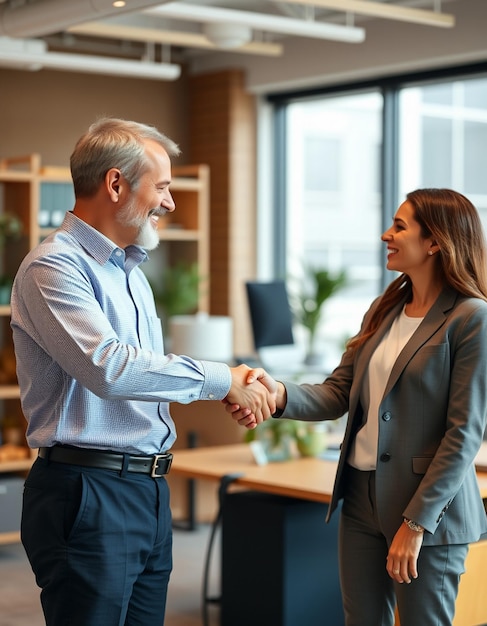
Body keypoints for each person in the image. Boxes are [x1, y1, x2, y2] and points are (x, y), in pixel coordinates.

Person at [10, 117, 274, 626]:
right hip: (88, 492)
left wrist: (222, 391)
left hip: (147, 490)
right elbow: (109, 368)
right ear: (115, 184)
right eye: (163, 186)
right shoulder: (54, 267)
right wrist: (221, 378)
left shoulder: (131, 273)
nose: (170, 202)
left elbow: (140, 378)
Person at [227, 188, 487, 626]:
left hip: (428, 510)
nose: (387, 234)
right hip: (361, 498)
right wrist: (276, 392)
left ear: (435, 242)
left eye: (400, 227)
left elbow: (463, 435)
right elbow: (338, 392)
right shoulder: (385, 310)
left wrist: (416, 524)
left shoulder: (470, 318)